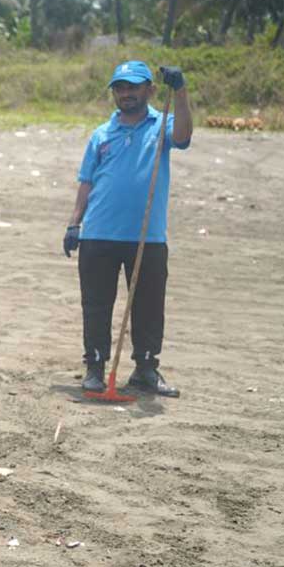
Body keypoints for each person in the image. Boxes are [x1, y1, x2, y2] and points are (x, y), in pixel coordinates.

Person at [64, 61, 191, 397]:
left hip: (147, 236)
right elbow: (86, 182)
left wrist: (179, 90)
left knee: (148, 306)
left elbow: (184, 137)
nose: (126, 94)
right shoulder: (101, 135)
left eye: (133, 87)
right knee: (96, 305)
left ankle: (146, 370)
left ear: (149, 90)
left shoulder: (162, 124)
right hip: (98, 235)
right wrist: (74, 223)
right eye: (120, 88)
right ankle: (94, 367)